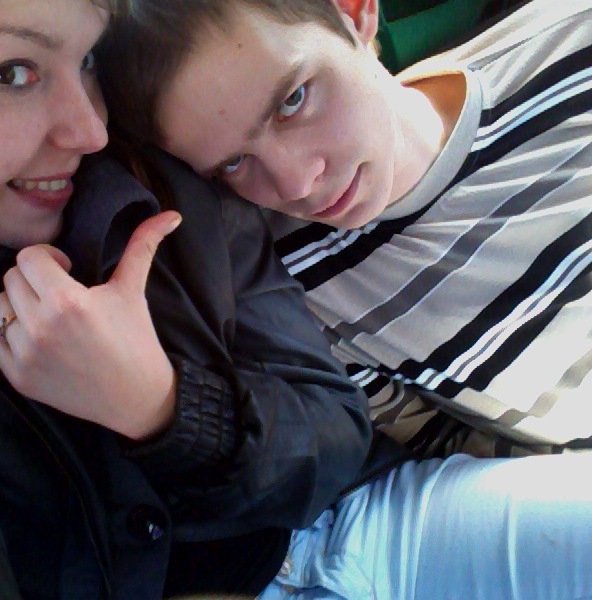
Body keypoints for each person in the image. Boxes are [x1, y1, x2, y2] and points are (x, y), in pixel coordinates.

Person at [0, 2, 592, 600]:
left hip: (357, 526)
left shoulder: (160, 184)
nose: (89, 129)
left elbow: (335, 431)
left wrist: (164, 409)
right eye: (13, 73)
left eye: (88, 62)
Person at [98, 0, 592, 457]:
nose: (296, 183)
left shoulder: (571, 45)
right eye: (233, 163)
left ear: (353, 12)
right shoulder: (298, 293)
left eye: (292, 101)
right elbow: (455, 452)